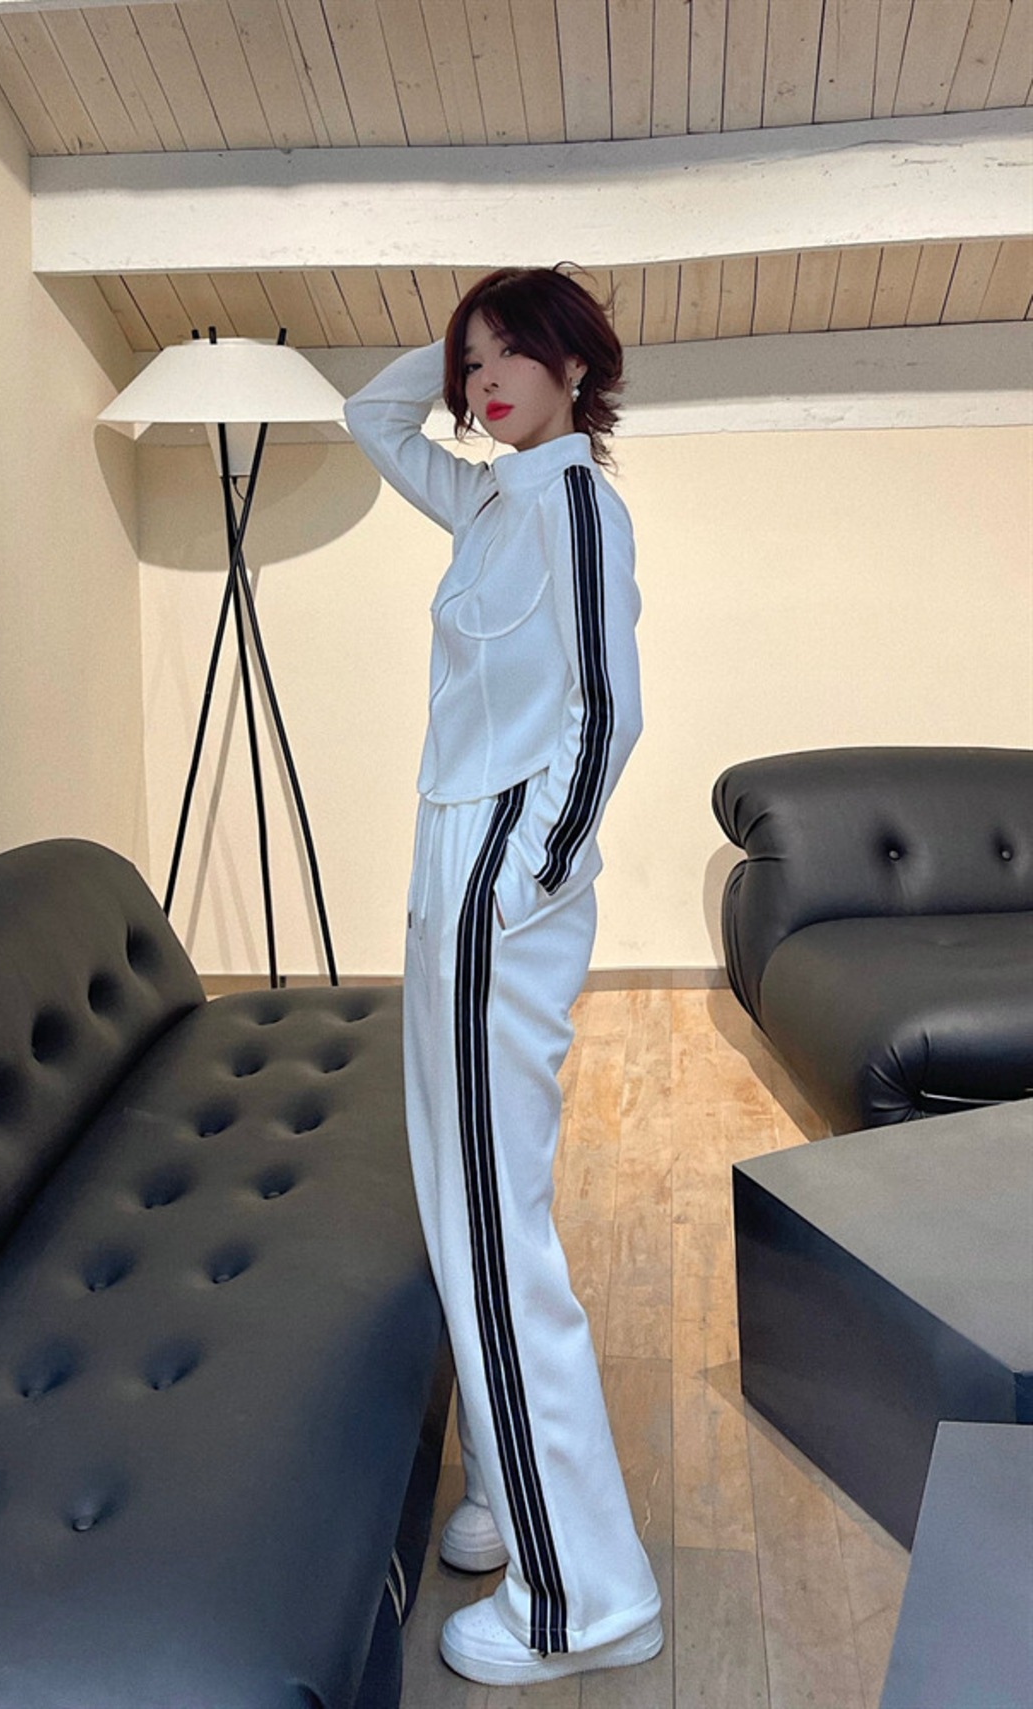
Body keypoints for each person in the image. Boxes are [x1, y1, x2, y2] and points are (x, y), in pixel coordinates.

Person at [343, 266, 662, 1688]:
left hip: (493, 885)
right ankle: (504, 1491)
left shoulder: (577, 506)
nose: (480, 383)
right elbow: (368, 419)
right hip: (449, 872)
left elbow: (608, 709)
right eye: (469, 362)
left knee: (493, 1225)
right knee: (458, 1202)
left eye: (509, 354)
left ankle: (582, 1599)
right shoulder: (491, 501)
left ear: (574, 365)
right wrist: (453, 338)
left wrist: (522, 876)